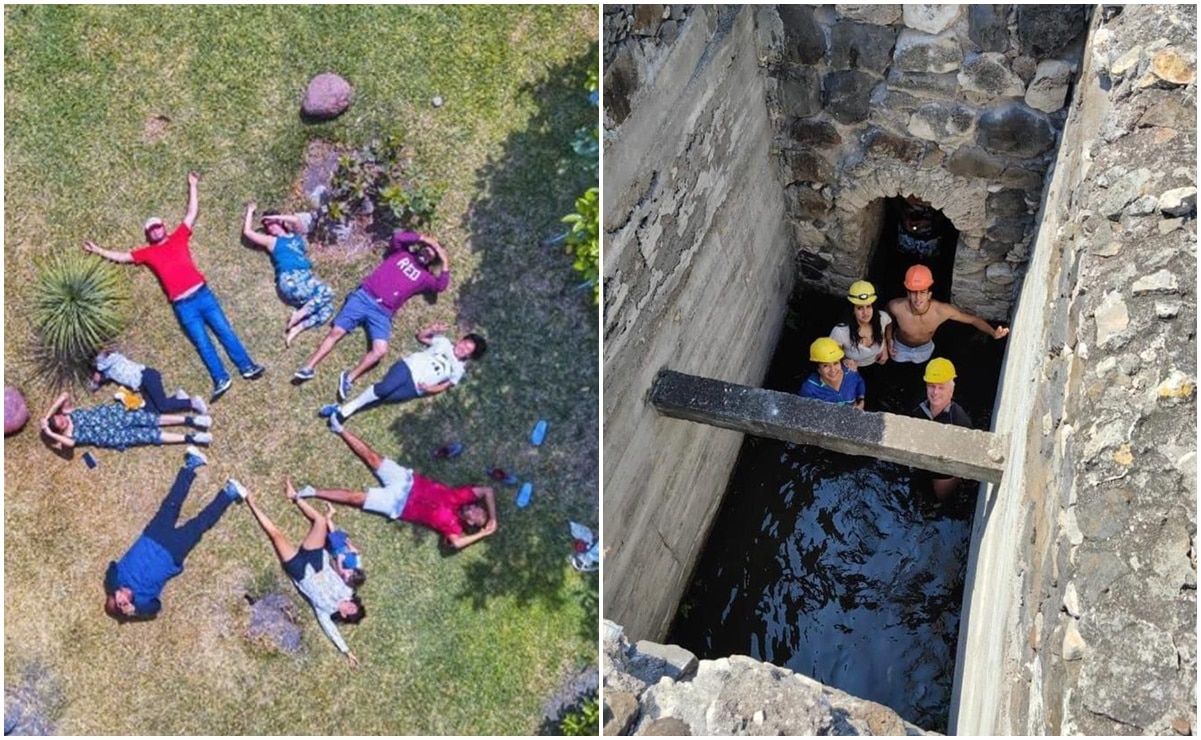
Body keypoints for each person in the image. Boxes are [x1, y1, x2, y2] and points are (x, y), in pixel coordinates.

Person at [83, 171, 265, 401]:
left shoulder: (179, 236)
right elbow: (122, 256)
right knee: (202, 342)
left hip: (203, 295)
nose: (156, 230)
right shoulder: (147, 253)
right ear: (148, 236)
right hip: (183, 305)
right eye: (151, 230)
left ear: (164, 227)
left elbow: (192, 213)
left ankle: (247, 367)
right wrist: (98, 250)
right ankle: (221, 378)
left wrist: (193, 185)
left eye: (158, 226)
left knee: (225, 331)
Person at [293, 230, 451, 402]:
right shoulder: (402, 253)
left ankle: (348, 378)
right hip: (364, 296)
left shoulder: (425, 277)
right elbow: (398, 237)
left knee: (380, 351)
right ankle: (309, 367)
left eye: (432, 255)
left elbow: (441, 286)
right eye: (427, 249)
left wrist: (444, 260)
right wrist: (426, 239)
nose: (428, 254)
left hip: (383, 313)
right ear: (421, 247)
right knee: (336, 332)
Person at [296, 422, 498, 550]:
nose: (474, 507)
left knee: (356, 498)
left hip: (397, 506)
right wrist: (493, 517)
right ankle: (339, 429)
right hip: (406, 482)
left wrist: (484, 533)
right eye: (478, 507)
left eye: (477, 513)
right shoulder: (461, 496)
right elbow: (488, 490)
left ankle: (313, 492)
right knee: (373, 458)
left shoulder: (453, 527)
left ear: (471, 523)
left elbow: (457, 543)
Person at [104, 447, 245, 620]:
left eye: (117, 601)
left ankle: (191, 464)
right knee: (201, 524)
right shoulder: (143, 600)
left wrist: (115, 588)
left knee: (172, 502)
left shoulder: (118, 576)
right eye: (121, 607)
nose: (122, 602)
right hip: (172, 554)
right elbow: (156, 608)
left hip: (153, 536)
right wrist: (137, 611)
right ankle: (229, 493)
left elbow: (110, 568)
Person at [244, 479, 364, 666]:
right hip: (317, 560)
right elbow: (354, 567)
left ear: (346, 615)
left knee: (276, 535)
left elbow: (331, 631)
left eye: (350, 610)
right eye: (352, 605)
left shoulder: (325, 611)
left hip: (299, 570)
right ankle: (294, 496)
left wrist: (346, 651)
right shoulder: (347, 592)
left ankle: (251, 502)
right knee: (321, 521)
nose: (349, 605)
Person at [319, 322, 486, 423]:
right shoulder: (443, 343)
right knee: (384, 389)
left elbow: (444, 386)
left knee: (382, 398)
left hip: (416, 388)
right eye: (465, 343)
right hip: (408, 368)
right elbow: (421, 337)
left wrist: (428, 389)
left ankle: (339, 410)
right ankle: (343, 414)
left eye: (467, 350)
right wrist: (432, 329)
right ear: (461, 340)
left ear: (470, 356)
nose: (462, 348)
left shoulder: (458, 370)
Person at [241, 203, 336, 347]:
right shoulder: (272, 241)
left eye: (271, 223)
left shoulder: (296, 236)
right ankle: (298, 315)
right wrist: (249, 211)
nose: (269, 227)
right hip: (290, 279)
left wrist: (275, 216)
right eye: (267, 226)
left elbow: (296, 221)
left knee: (327, 310)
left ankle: (297, 328)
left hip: (306, 278)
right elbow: (248, 233)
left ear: (280, 222)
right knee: (328, 292)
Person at [886, 265, 1010, 364]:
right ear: (908, 294)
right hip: (899, 347)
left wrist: (993, 333)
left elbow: (972, 320)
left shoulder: (941, 311)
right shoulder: (897, 306)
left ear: (929, 294)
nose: (918, 298)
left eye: (922, 292)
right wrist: (888, 339)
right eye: (914, 293)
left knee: (921, 368)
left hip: (924, 349)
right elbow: (886, 315)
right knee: (897, 367)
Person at [40, 392, 211, 451]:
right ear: (60, 430)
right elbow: (69, 445)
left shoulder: (70, 412)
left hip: (117, 415)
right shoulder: (68, 436)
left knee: (155, 419)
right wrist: (49, 433)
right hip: (115, 436)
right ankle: (192, 438)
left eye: (60, 416)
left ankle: (192, 420)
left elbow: (64, 395)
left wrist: (48, 416)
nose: (63, 419)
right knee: (152, 435)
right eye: (61, 422)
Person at [912, 358, 973, 500]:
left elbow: (967, 449)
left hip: (945, 466)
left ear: (951, 390)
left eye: (941, 387)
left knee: (941, 497)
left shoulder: (958, 419)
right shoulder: (918, 406)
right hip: (924, 454)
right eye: (931, 386)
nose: (935, 392)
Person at [90, 349, 208, 416]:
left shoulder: (112, 360)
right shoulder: (108, 372)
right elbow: (96, 383)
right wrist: (96, 379)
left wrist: (97, 370)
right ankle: (178, 398)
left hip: (146, 376)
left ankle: (192, 402)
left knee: (163, 406)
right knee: (151, 411)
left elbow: (102, 363)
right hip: (142, 384)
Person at [829, 280, 892, 371]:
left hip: (878, 363)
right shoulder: (840, 331)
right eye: (859, 308)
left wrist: (886, 346)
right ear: (853, 310)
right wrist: (844, 361)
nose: (865, 313)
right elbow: (831, 355)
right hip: (853, 370)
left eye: (868, 306)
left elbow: (889, 323)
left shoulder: (882, 317)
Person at [798, 337, 866, 409]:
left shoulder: (850, 373)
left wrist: (861, 400)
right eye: (825, 365)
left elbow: (859, 382)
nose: (833, 370)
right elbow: (804, 411)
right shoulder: (809, 389)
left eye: (836, 363)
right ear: (818, 369)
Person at [323, 502, 365, 587]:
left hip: (336, 548)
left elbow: (355, 553)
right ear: (351, 572)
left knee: (328, 534)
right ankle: (331, 513)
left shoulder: (353, 568)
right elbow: (341, 556)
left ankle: (331, 514)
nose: (344, 579)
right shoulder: (350, 564)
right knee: (328, 526)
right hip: (338, 546)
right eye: (347, 580)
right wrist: (340, 569)